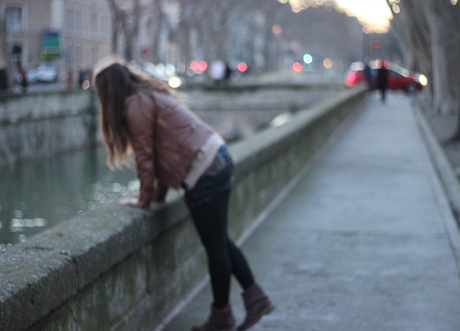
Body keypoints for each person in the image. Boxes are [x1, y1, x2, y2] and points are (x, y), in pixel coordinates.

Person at [92, 56, 274, 331]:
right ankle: (255, 298)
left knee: (215, 247)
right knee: (221, 241)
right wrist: (157, 196)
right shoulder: (147, 95)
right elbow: (165, 150)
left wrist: (144, 200)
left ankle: (222, 317)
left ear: (109, 92)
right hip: (217, 156)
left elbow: (146, 156)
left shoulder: (136, 104)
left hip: (204, 169)